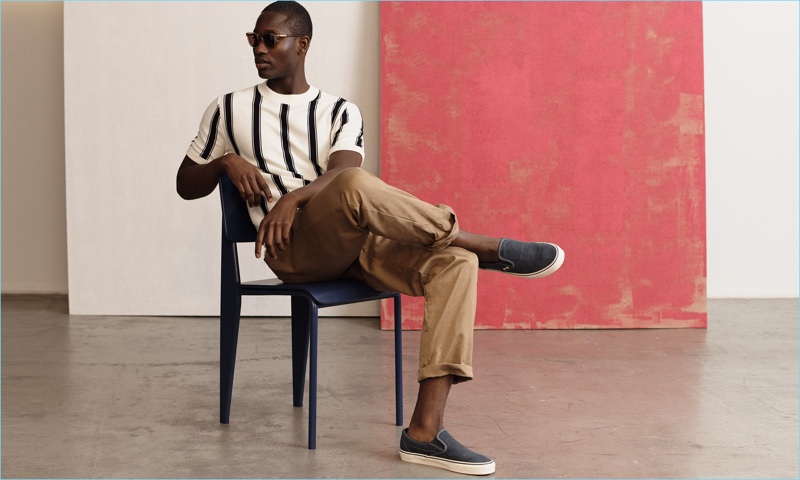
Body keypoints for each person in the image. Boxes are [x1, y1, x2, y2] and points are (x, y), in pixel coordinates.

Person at [176, 1, 564, 475]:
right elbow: (185, 184)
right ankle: (478, 243)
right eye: (253, 39)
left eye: (270, 39)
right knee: (365, 191)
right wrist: (225, 163)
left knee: (452, 266)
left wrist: (292, 197)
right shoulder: (230, 108)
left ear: (302, 44)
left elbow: (344, 169)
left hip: (356, 244)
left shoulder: (340, 111)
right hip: (295, 252)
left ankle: (425, 432)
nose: (259, 48)